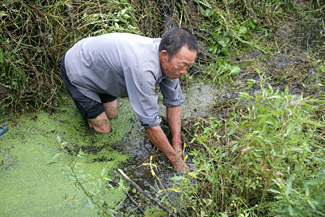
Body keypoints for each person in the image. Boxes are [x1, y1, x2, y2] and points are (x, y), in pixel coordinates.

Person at [60, 28, 198, 172]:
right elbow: (150, 124)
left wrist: (177, 143)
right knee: (103, 128)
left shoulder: (171, 64)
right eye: (182, 65)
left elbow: (174, 103)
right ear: (164, 55)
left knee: (112, 113)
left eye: (189, 66)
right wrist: (175, 161)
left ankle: (97, 101)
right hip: (79, 66)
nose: (184, 72)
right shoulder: (143, 69)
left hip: (105, 70)